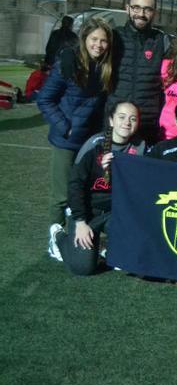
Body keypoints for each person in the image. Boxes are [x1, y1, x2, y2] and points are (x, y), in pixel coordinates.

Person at [38, 17, 114, 258]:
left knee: (82, 191)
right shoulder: (68, 63)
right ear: (84, 39)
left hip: (89, 142)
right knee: (61, 195)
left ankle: (78, 238)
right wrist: (65, 127)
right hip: (67, 141)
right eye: (94, 39)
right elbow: (44, 99)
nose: (99, 45)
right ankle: (55, 239)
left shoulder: (105, 67)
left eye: (103, 40)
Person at [48, 102, 144, 275]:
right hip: (88, 211)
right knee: (82, 268)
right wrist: (80, 221)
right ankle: (58, 237)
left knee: (132, 258)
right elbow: (75, 184)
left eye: (133, 119)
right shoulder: (94, 144)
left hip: (115, 212)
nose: (127, 122)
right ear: (111, 120)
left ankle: (108, 246)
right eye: (121, 117)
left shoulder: (140, 148)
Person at [106, 0, 172, 144]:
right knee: (109, 167)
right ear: (127, 8)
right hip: (115, 123)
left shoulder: (162, 41)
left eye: (147, 9)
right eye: (136, 7)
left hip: (147, 124)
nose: (141, 14)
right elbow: (89, 45)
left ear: (154, 12)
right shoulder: (113, 36)